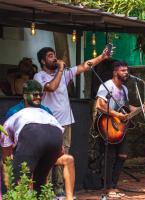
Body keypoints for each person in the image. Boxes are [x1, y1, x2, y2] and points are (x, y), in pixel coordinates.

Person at [34, 46, 111, 197]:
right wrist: (61, 70)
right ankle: (47, 190)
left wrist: (101, 57)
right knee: (48, 155)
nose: (54, 58)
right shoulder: (39, 76)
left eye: (54, 55)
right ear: (43, 61)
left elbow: (84, 66)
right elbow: (51, 87)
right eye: (50, 56)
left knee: (64, 155)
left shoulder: (63, 73)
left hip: (65, 121)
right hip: (48, 123)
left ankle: (59, 189)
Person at [2, 80, 75, 200]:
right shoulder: (14, 112)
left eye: (40, 95)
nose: (38, 97)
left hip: (35, 139)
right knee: (40, 183)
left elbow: (6, 154)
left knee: (18, 182)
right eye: (35, 94)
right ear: (25, 95)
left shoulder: (43, 111)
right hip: (51, 137)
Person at [95, 61, 144, 198]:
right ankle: (108, 187)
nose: (126, 73)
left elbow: (126, 107)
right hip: (108, 125)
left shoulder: (124, 89)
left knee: (122, 155)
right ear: (115, 72)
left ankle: (114, 185)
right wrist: (117, 115)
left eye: (126, 70)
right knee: (110, 157)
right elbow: (100, 105)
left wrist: (140, 108)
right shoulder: (106, 86)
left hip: (120, 128)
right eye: (123, 70)